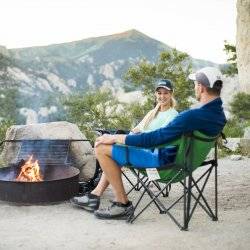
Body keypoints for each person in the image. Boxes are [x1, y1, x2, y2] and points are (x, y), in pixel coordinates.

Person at [89, 66, 227, 220]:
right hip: (185, 166)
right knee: (112, 145)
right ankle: (98, 194)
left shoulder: (191, 116)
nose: (194, 87)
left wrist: (116, 138)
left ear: (201, 88)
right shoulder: (219, 116)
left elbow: (155, 139)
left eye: (195, 84)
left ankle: (122, 204)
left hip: (163, 165)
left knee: (102, 148)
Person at [71, 79, 179, 210]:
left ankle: (100, 197)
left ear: (171, 94)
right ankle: (95, 195)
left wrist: (120, 138)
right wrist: (125, 135)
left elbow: (158, 138)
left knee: (105, 150)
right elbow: (136, 130)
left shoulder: (173, 115)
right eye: (159, 93)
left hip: (152, 154)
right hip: (141, 147)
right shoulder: (153, 113)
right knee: (107, 149)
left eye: (165, 93)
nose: (162, 96)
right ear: (155, 94)